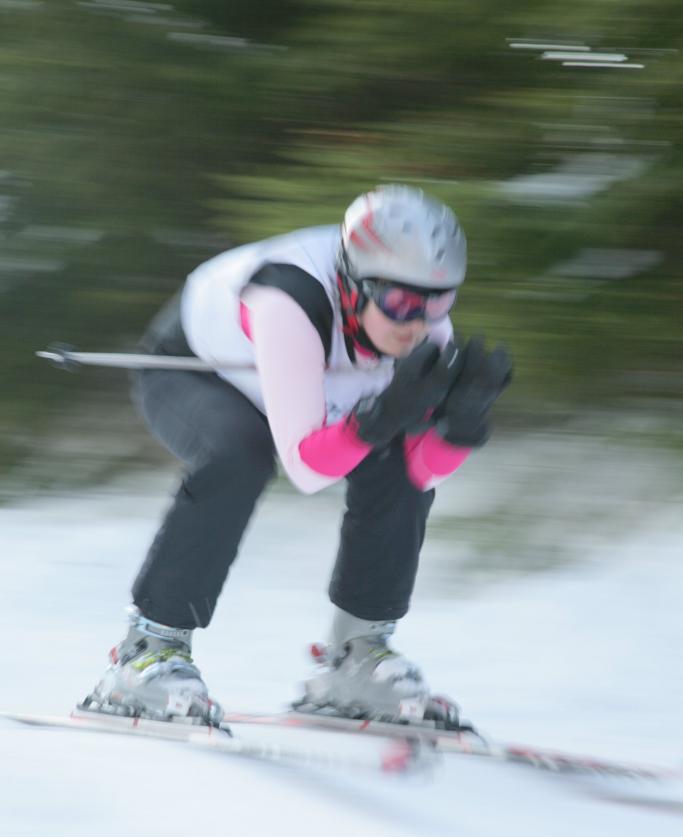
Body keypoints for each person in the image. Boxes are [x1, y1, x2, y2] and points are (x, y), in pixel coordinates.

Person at [86, 184, 511, 729]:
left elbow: (418, 472)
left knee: (392, 457)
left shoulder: (424, 330)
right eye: (402, 304)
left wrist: (461, 430)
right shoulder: (287, 300)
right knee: (239, 453)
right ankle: (147, 650)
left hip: (313, 377)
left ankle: (356, 655)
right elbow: (308, 467)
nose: (419, 323)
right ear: (356, 285)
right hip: (204, 370)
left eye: (439, 302)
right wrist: (380, 417)